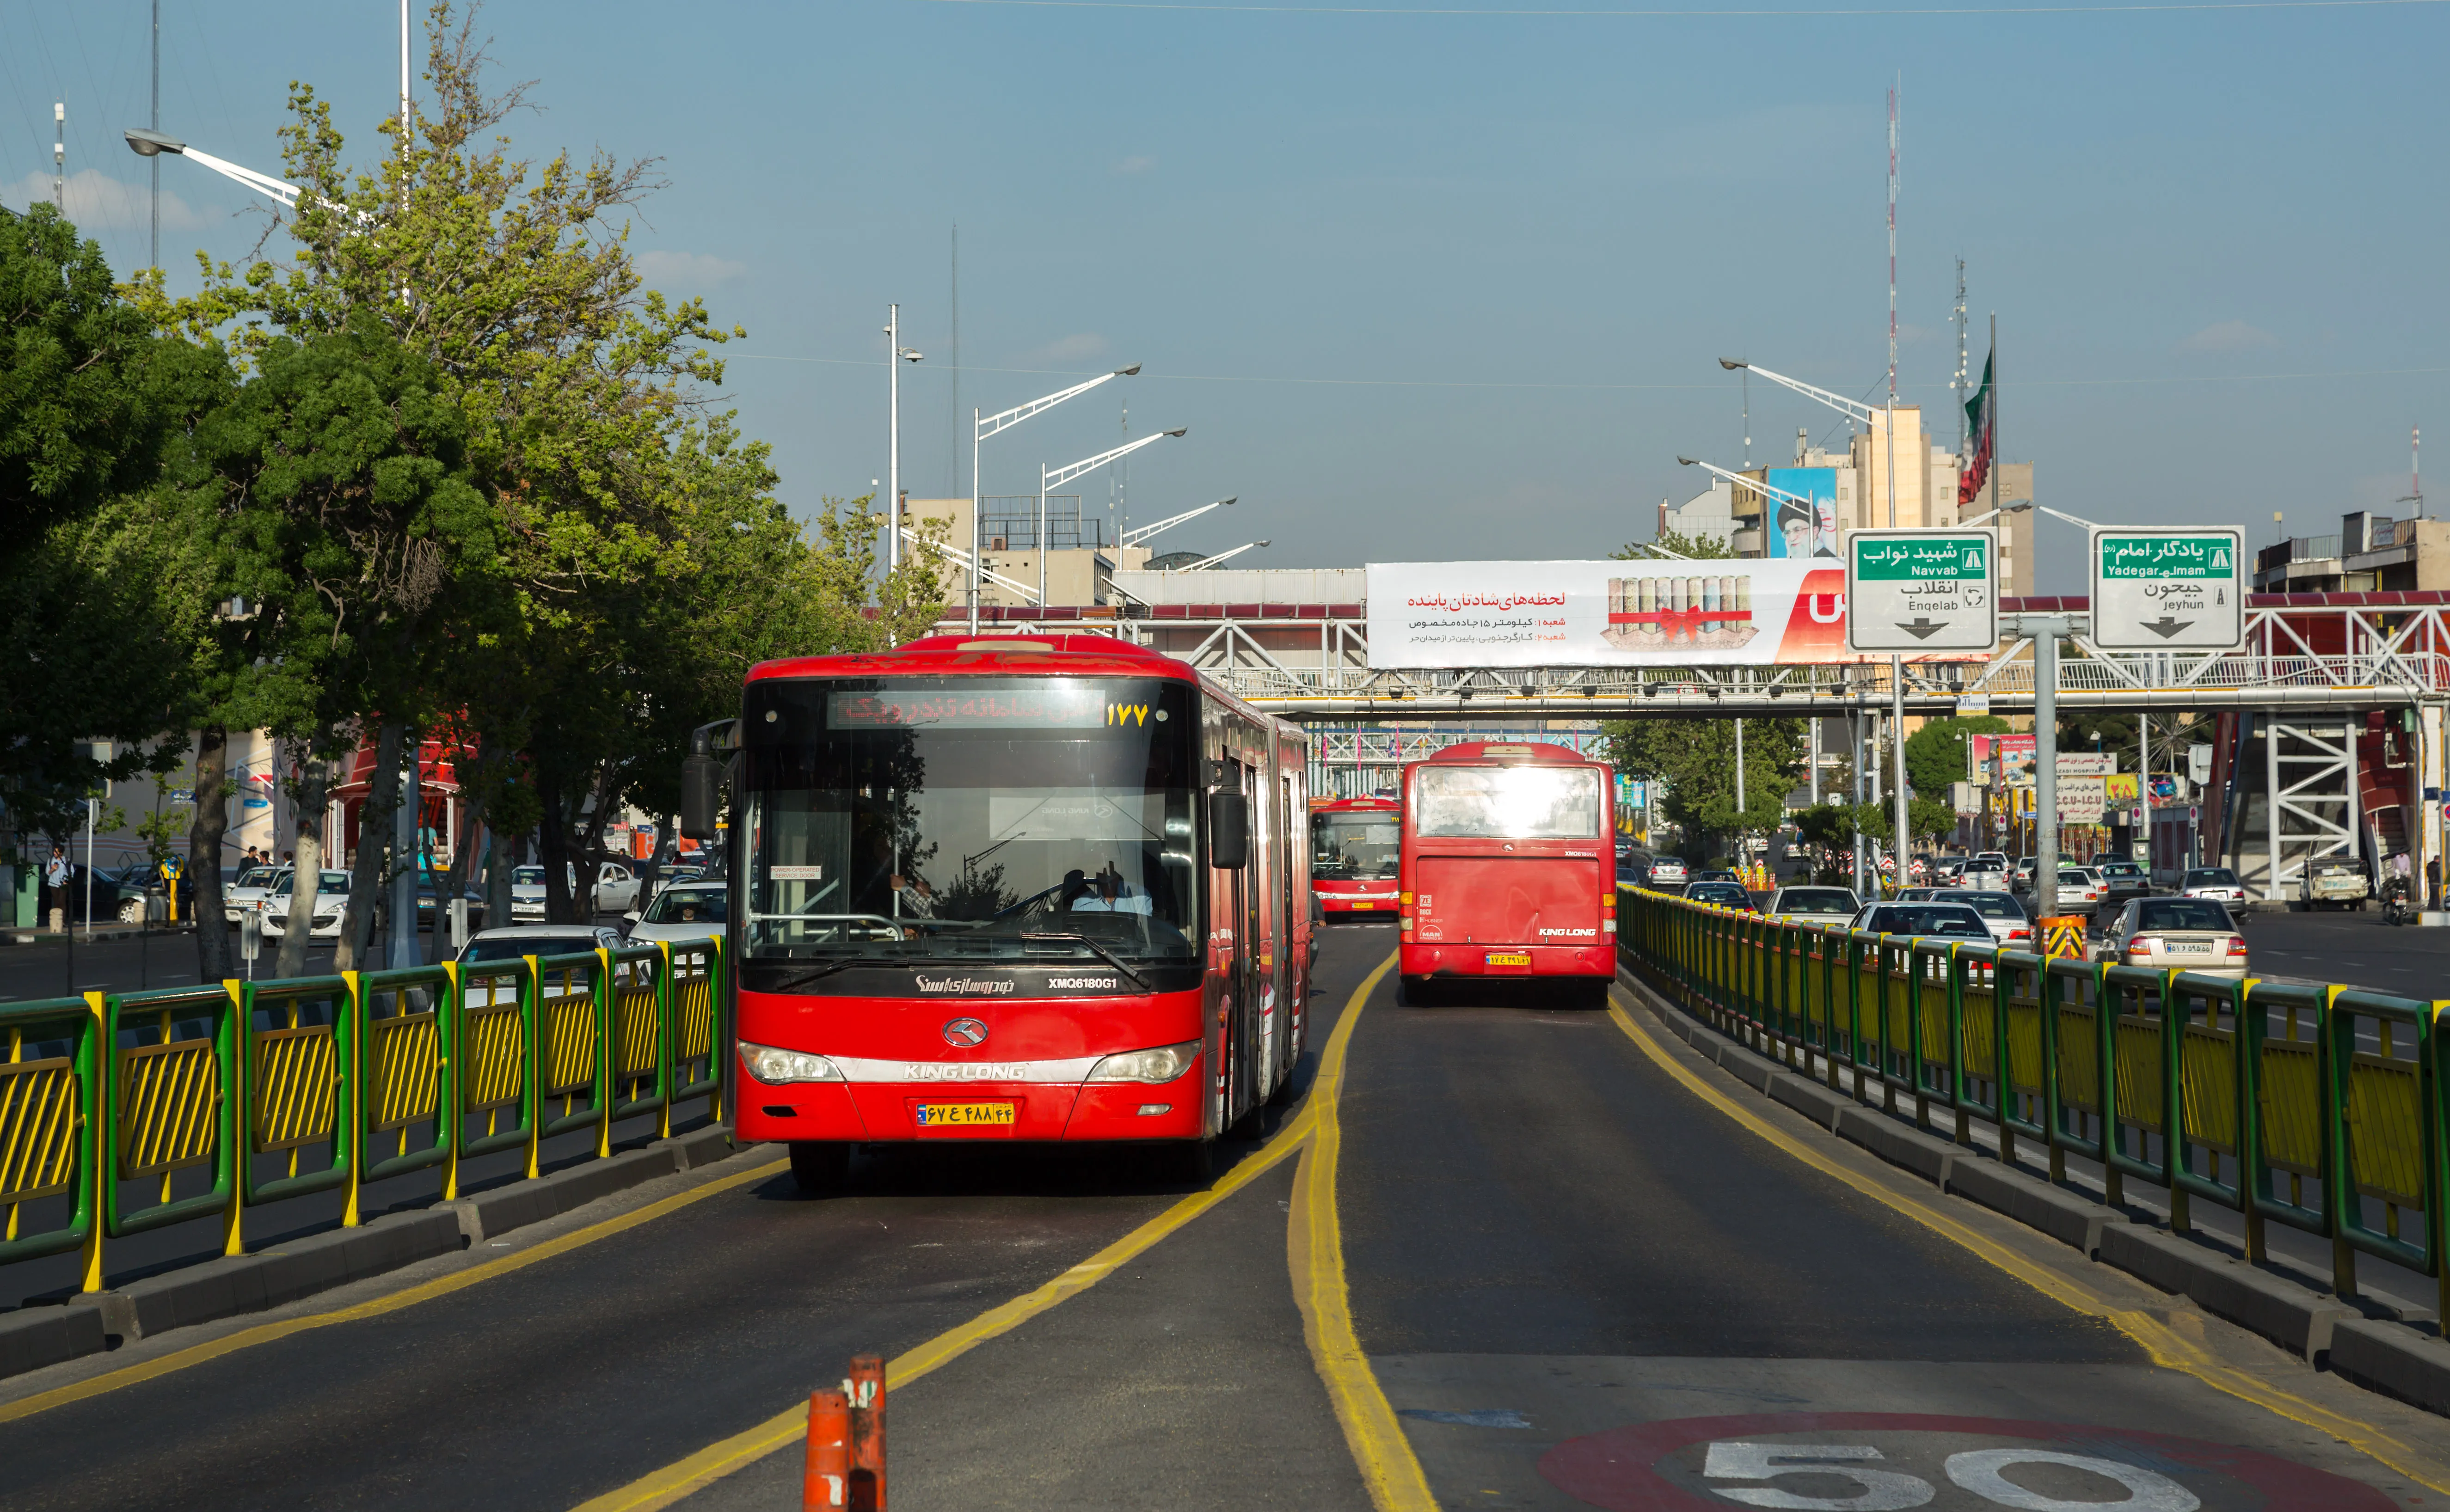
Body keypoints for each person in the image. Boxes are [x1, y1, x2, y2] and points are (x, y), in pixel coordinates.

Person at [43, 844, 69, 926]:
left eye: (56, 852)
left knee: (62, 901)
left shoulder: (66, 860)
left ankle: (63, 921)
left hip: (63, 884)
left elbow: (71, 871)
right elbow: (48, 873)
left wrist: (67, 880)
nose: (54, 853)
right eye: (54, 851)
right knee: (57, 902)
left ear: (61, 853)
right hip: (53, 884)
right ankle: (56, 920)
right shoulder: (51, 860)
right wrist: (53, 870)